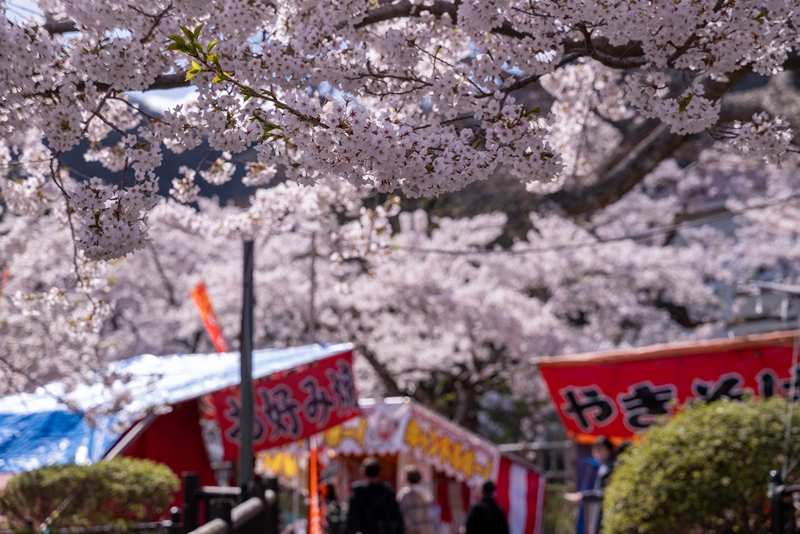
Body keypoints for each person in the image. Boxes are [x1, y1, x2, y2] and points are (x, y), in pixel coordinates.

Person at [564, 436, 618, 534]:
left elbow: (605, 493)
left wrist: (584, 496)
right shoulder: (605, 466)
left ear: (609, 450)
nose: (597, 453)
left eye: (600, 450)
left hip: (608, 514)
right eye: (595, 450)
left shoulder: (611, 467)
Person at [344, 458, 405, 534]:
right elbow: (397, 518)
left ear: (363, 473)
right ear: (380, 473)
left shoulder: (358, 493)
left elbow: (351, 521)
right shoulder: (388, 492)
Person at [396, 465, 437, 534]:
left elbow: (402, 516)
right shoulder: (426, 493)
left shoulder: (404, 495)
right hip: (427, 530)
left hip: (412, 531)